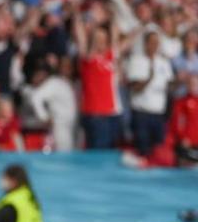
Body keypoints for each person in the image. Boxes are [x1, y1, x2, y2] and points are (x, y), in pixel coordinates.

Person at [73, 15, 123, 150]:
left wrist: (111, 13)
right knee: (97, 154)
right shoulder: (87, 59)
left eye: (103, 40)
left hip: (110, 114)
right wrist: (77, 16)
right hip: (95, 115)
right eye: (97, 39)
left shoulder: (109, 58)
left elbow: (115, 36)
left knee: (108, 153)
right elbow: (80, 37)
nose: (100, 42)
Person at [126, 30, 175, 165]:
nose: (155, 45)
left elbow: (170, 85)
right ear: (145, 44)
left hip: (159, 114)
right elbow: (134, 87)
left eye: (157, 43)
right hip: (142, 114)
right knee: (143, 152)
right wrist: (149, 78)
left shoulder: (164, 62)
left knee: (159, 152)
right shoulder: (137, 60)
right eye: (152, 42)